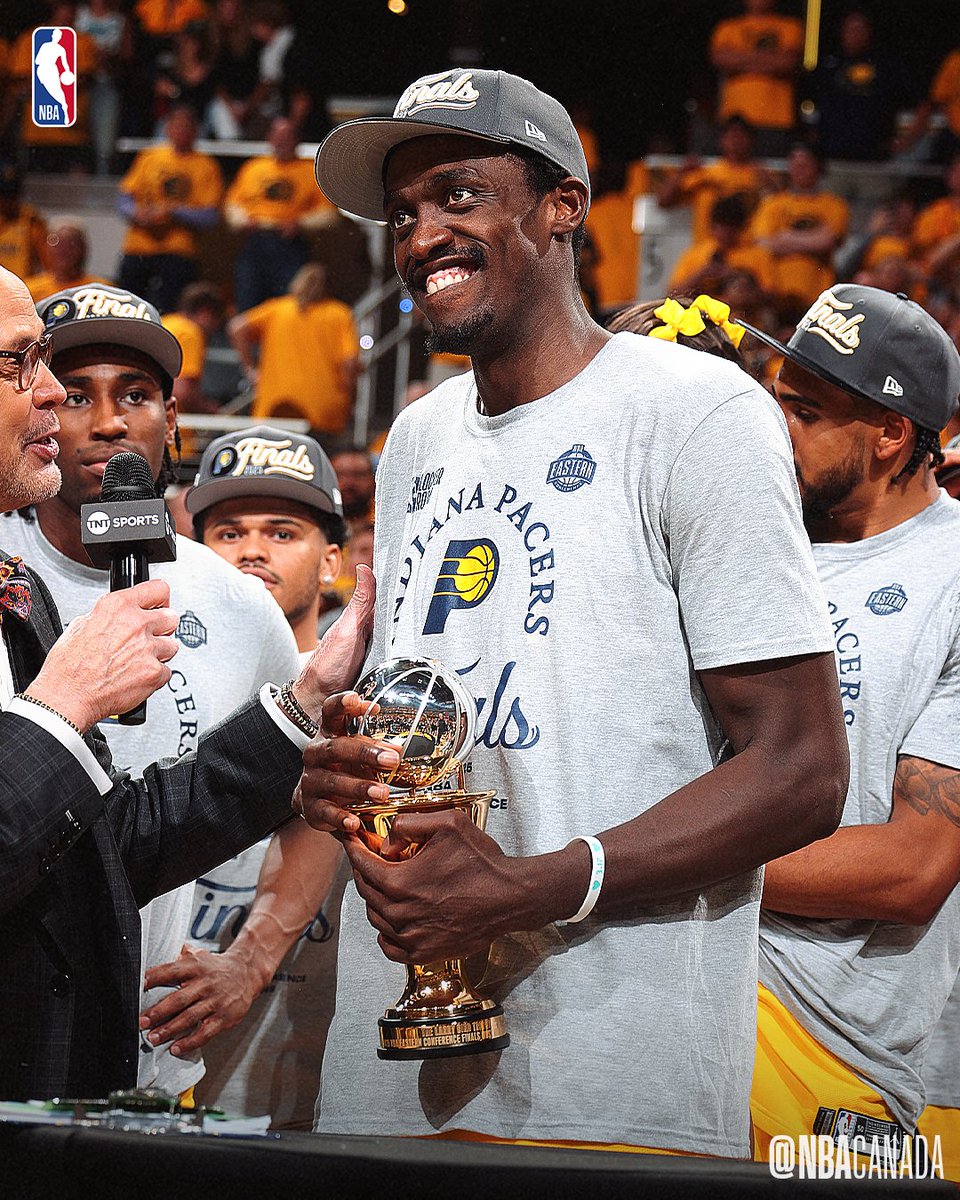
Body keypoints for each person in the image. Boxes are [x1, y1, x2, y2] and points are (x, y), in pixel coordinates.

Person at [300, 67, 848, 1154]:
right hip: (388, 1067)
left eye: (459, 194)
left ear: (563, 207)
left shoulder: (697, 415)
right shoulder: (416, 437)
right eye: (404, 214)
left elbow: (803, 767)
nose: (421, 235)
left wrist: (530, 888)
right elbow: (433, 716)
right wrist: (338, 763)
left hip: (609, 1074)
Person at [0, 263, 385, 1101]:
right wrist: (62, 710)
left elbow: (114, 846)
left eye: (134, 394)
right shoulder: (15, 579)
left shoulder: (235, 604)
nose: (98, 422)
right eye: (62, 387)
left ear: (172, 416)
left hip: (134, 1056)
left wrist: (252, 956)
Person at [739, 286, 960, 1182]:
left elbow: (912, 868)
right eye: (775, 399)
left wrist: (633, 860)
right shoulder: (742, 539)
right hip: (698, 997)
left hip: (848, 1048)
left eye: (806, 411)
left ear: (891, 435)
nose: (773, 428)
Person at [138, 427, 349, 1126]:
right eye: (227, 531)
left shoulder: (377, 696)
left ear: (332, 562)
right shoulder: (149, 674)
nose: (252, 550)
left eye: (282, 531)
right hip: (168, 1047)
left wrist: (252, 960)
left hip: (301, 1060)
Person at [230, 263, 360, 435]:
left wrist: (250, 370)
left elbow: (236, 326)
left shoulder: (278, 309)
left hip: (273, 409)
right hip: (323, 411)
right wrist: (350, 398)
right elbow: (349, 363)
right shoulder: (339, 314)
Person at [225, 116, 337, 313]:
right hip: (256, 241)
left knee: (290, 304)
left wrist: (301, 223)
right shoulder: (253, 168)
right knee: (248, 302)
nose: (282, 141)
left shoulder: (310, 169)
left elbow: (329, 215)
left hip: (290, 245)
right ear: (269, 138)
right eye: (278, 136)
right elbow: (232, 204)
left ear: (296, 140)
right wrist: (242, 220)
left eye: (287, 136)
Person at [117, 105, 223, 313]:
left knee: (171, 310)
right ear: (167, 129)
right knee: (127, 308)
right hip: (139, 246)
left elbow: (211, 217)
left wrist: (174, 212)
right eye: (176, 126)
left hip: (178, 250)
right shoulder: (149, 157)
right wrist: (136, 213)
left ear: (195, 131)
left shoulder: (206, 166)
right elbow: (123, 199)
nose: (180, 131)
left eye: (186, 127)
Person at [747, 143, 849, 319]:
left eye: (805, 164)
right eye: (794, 164)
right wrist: (810, 240)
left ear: (818, 167)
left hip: (819, 299)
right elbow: (762, 244)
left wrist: (785, 238)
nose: (799, 170)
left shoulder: (834, 205)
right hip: (776, 298)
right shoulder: (773, 204)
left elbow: (827, 241)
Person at [708, 0, 804, 156]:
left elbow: (788, 62)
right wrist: (768, 60)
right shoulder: (727, 27)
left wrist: (741, 59)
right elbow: (719, 59)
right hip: (735, 119)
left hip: (776, 120)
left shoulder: (790, 26)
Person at [24, 219, 109, 303]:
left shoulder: (102, 290)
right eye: (57, 244)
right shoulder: (28, 291)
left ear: (84, 249)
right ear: (46, 249)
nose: (63, 251)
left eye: (71, 245)